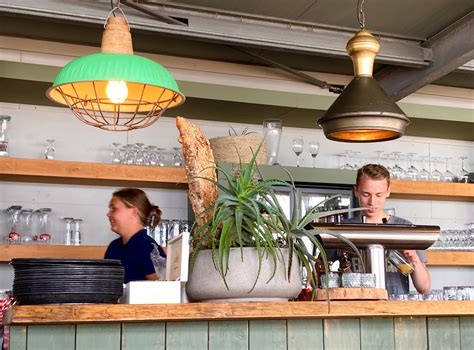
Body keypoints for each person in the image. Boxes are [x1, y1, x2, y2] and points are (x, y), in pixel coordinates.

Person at [345, 163, 431, 294]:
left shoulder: (405, 227)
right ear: (356, 191)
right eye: (366, 194)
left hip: (396, 310)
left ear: (388, 191)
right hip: (357, 308)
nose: (372, 202)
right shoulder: (343, 230)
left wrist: (414, 258)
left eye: (379, 195)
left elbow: (424, 288)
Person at [104, 188, 166, 284]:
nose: (108, 214)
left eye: (114, 208)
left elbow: (163, 290)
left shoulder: (149, 248)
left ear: (134, 212)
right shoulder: (113, 247)